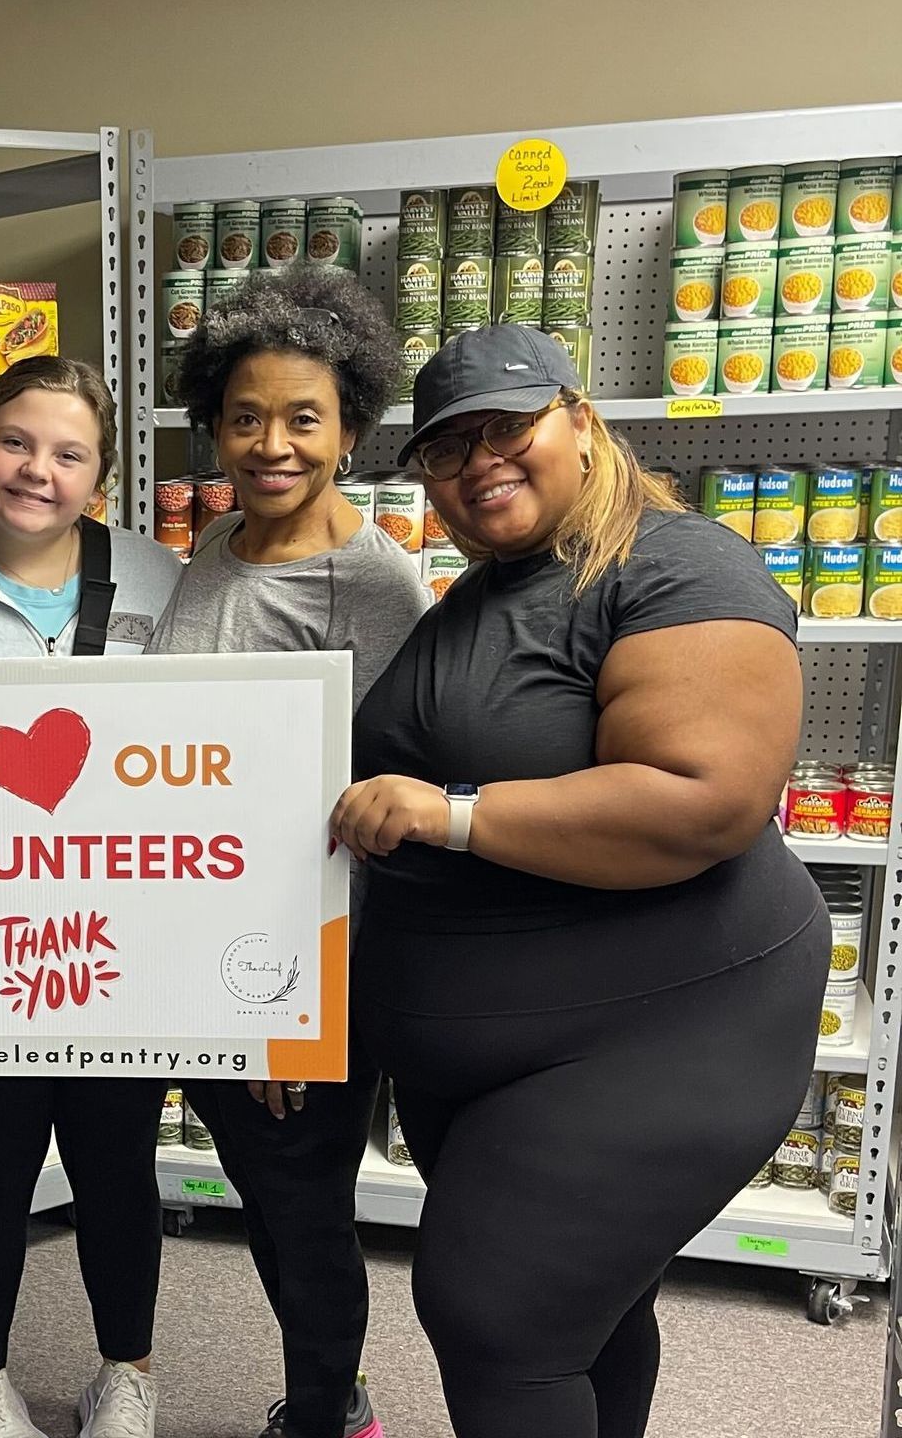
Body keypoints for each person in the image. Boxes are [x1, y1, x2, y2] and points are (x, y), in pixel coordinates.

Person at [334, 324, 829, 1438]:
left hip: (663, 1026)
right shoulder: (488, 590)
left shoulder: (676, 562)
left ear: (582, 422)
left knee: (496, 1312)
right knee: (580, 1309)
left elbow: (702, 798)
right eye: (446, 449)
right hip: (492, 1048)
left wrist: (451, 816)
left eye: (508, 427)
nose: (478, 463)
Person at [150, 263, 426, 1438]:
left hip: (302, 963)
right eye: (246, 416)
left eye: (304, 419)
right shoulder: (215, 545)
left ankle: (326, 1410)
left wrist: (292, 1002)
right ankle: (332, 1390)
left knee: (302, 1194)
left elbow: (372, 824)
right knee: (268, 1185)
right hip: (209, 942)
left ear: (350, 427)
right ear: (213, 422)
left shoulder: (378, 589)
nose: (272, 444)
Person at [0, 355, 182, 1438]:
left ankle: (127, 1371)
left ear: (102, 476)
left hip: (123, 924)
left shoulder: (163, 577)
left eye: (69, 453)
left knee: (116, 1154)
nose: (37, 471)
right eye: (16, 442)